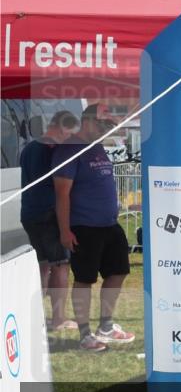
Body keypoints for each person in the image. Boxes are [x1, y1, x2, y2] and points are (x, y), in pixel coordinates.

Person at [52, 105, 134, 352]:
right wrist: (65, 230)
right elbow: (62, 194)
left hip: (109, 225)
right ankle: (85, 335)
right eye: (104, 125)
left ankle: (106, 327)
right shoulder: (69, 149)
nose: (107, 129)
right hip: (84, 227)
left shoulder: (96, 146)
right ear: (88, 122)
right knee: (85, 280)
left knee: (118, 272)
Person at [20, 110, 80, 331]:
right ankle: (58, 319)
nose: (69, 139)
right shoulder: (52, 152)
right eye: (69, 133)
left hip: (29, 212)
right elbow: (61, 185)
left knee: (43, 266)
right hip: (48, 214)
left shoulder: (28, 149)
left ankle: (35, 316)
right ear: (60, 128)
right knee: (61, 265)